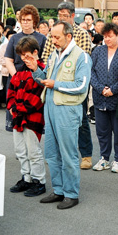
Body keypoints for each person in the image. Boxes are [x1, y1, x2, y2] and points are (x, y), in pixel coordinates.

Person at [26, 21, 91, 209]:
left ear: (68, 36)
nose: (53, 40)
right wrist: (34, 70)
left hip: (67, 110)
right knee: (52, 153)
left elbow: (82, 86)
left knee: (68, 154)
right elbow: (44, 79)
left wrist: (57, 84)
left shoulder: (82, 57)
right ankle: (58, 190)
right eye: (52, 37)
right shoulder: (54, 54)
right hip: (51, 107)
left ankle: (71, 194)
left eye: (57, 37)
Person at [41, 1, 93, 170]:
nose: (61, 18)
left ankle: (86, 154)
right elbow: (47, 56)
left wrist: (57, 82)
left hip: (72, 86)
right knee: (54, 130)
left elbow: (83, 61)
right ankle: (58, 164)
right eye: (59, 15)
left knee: (82, 122)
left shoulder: (82, 34)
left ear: (72, 16)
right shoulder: (53, 33)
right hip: (53, 87)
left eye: (65, 15)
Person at [7, 36, 47, 197]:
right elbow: (11, 89)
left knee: (33, 151)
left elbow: (39, 96)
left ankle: (39, 181)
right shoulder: (21, 71)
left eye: (26, 54)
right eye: (21, 55)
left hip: (33, 117)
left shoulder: (42, 69)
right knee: (20, 150)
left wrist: (18, 108)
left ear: (35, 52)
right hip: (18, 115)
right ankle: (26, 177)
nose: (24, 58)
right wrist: (11, 106)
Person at [90, 23, 118, 173]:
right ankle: (104, 158)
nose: (107, 39)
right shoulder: (98, 51)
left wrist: (114, 89)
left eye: (110, 36)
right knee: (102, 130)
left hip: (117, 97)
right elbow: (91, 72)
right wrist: (100, 88)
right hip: (100, 97)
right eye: (105, 36)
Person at [5, 5, 47, 130]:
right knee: (15, 113)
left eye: (28, 20)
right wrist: (16, 77)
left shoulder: (42, 38)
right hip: (16, 78)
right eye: (23, 20)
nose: (25, 22)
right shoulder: (14, 38)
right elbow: (8, 60)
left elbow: (45, 61)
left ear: (34, 21)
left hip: (34, 79)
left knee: (32, 116)